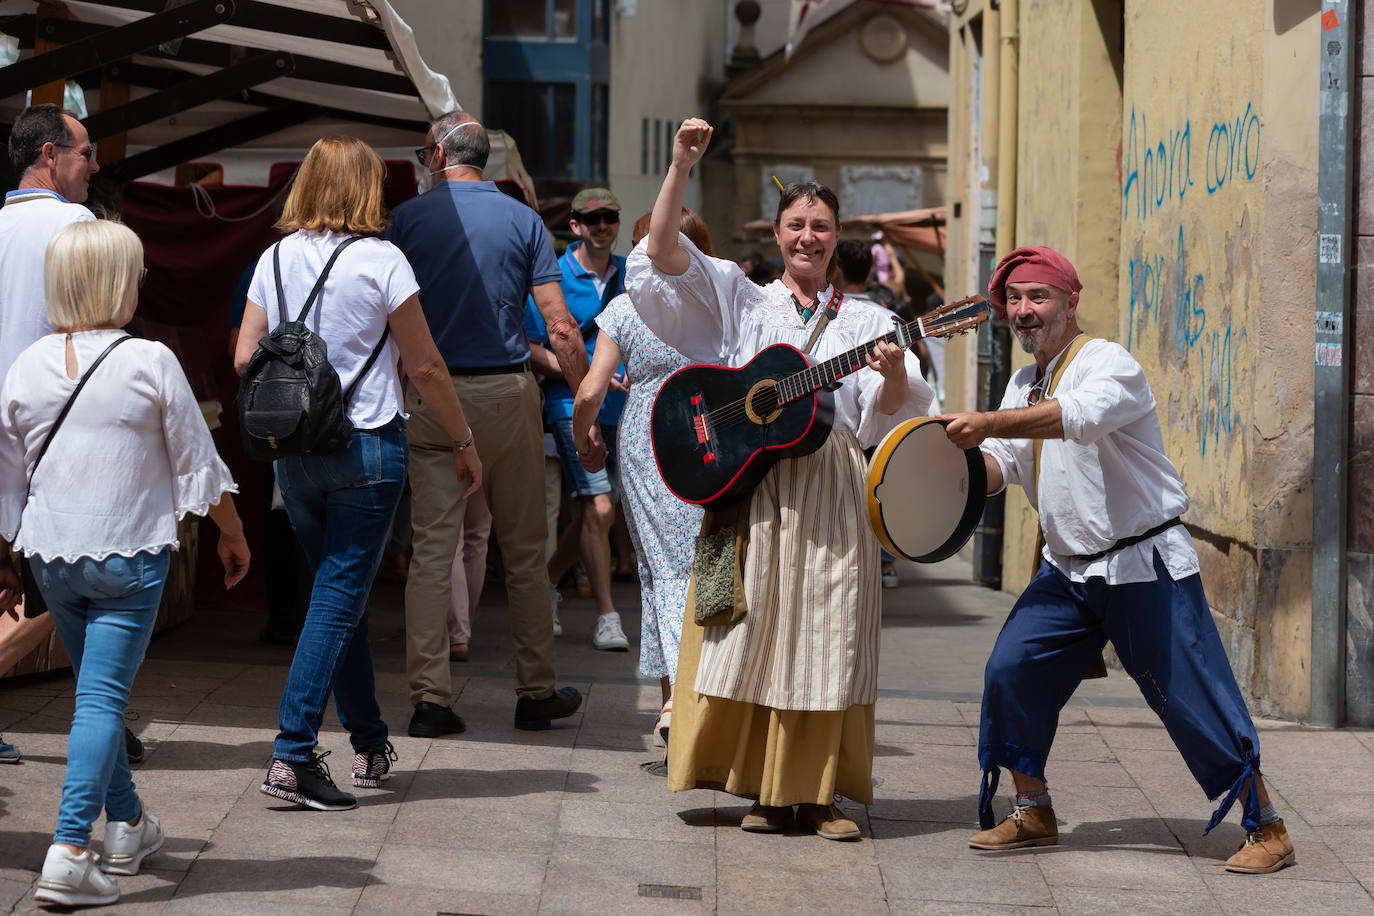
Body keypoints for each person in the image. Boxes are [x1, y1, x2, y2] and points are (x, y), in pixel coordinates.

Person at [941, 245, 1294, 873]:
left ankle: (1267, 827)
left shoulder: (1109, 362)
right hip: (1067, 570)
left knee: (1191, 695)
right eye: (1015, 299)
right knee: (1010, 669)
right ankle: (1033, 809)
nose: (1024, 310)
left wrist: (990, 421)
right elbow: (1003, 468)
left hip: (1143, 566)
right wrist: (945, 475)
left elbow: (1077, 418)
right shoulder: (1023, 382)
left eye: (1038, 296)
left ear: (1070, 301)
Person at [626, 119, 932, 841]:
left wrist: (890, 378)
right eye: (796, 223)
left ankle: (818, 795)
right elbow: (660, 256)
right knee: (759, 633)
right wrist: (679, 166)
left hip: (831, 491)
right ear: (778, 231)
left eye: (820, 225)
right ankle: (765, 789)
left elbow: (891, 416)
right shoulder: (741, 297)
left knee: (828, 636)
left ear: (837, 236)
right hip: (754, 489)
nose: (807, 237)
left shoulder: (867, 319)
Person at [0, 220, 250, 907]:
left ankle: (128, 826)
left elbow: (4, 474)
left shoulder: (27, 363)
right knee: (100, 701)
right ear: (118, 282)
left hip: (50, 555)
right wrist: (232, 533)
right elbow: (199, 464)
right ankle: (70, 849)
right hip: (129, 555)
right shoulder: (150, 361)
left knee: (93, 699)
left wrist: (4, 551)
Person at [234, 136, 482, 810]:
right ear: (368, 188)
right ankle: (291, 755)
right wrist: (463, 439)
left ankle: (370, 742)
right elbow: (426, 366)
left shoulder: (272, 258)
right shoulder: (382, 260)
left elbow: (241, 358)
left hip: (296, 456)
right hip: (368, 446)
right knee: (338, 601)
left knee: (333, 601)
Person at [385, 111, 596, 734]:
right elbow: (559, 326)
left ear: (436, 155)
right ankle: (535, 692)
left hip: (432, 393)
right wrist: (583, 398)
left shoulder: (407, 221)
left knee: (432, 551)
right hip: (508, 394)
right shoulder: (524, 220)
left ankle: (430, 699)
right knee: (526, 551)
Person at [572, 207, 713, 744]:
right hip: (714, 436)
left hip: (650, 440)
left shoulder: (627, 308)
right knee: (679, 566)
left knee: (668, 568)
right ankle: (678, 698)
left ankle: (679, 697)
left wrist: (585, 436)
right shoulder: (717, 306)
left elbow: (589, 389)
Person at [527, 187, 629, 651]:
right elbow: (531, 346)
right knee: (601, 508)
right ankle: (607, 615)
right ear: (575, 226)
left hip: (624, 408)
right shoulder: (554, 274)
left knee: (601, 513)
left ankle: (546, 582)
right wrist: (589, 377)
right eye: (592, 219)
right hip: (570, 405)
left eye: (609, 217)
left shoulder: (631, 272)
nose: (601, 226)